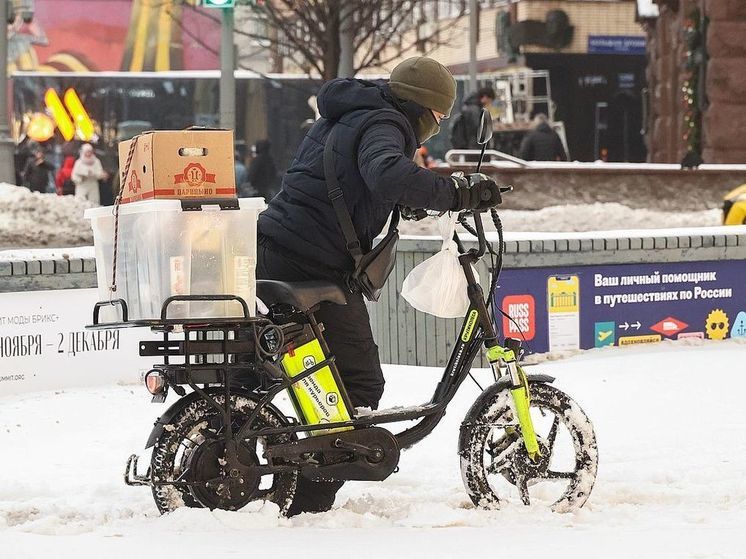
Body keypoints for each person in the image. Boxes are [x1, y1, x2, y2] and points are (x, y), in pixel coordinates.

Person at [257, 56, 500, 516]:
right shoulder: (386, 123)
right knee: (360, 380)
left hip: (280, 246)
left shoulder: (351, 112)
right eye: (439, 118)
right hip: (309, 262)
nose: (436, 127)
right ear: (423, 109)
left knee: (307, 372)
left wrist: (404, 204)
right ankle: (309, 498)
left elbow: (348, 181)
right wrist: (454, 193)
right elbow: (385, 172)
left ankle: (297, 466)